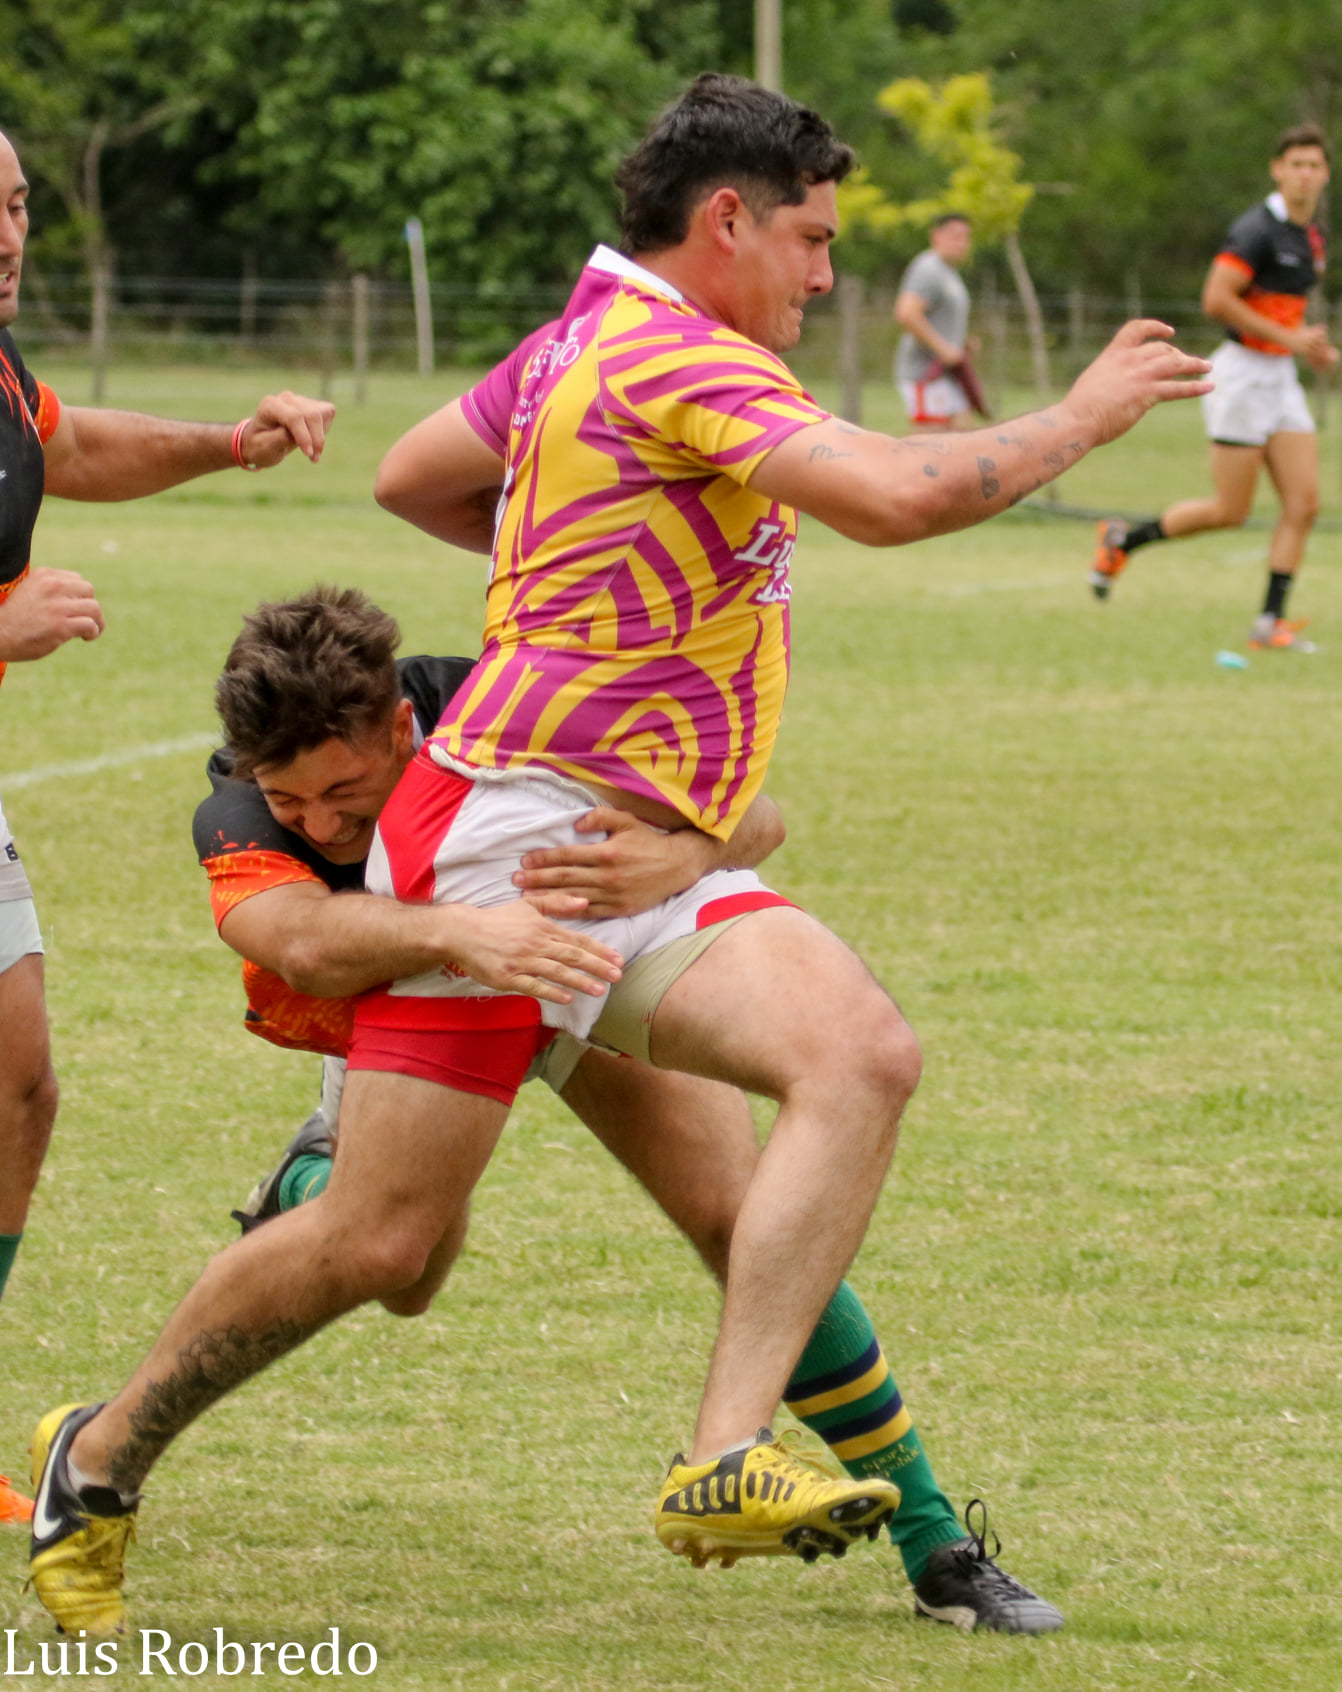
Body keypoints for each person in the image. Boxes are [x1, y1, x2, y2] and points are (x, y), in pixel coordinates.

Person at [29, 74, 1208, 1632]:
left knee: (856, 1059)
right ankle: (95, 1459)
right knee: (385, 1245)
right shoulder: (673, 356)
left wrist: (596, 586)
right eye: (807, 237)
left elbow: (412, 476)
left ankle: (742, 1460)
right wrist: (1085, 415)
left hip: (608, 835)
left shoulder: (580, 332)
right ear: (725, 220)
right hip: (514, 837)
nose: (822, 273)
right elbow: (899, 497)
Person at [201, 585, 1062, 1632]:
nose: (324, 824)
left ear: (398, 725)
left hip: (583, 969)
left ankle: (937, 1543)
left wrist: (688, 848)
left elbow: (761, 815)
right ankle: (312, 1180)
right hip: (422, 997)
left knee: (742, 1218)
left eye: (345, 793)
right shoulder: (237, 800)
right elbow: (296, 939)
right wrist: (458, 937)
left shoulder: (512, 712)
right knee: (403, 1272)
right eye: (293, 807)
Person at [0, 128, 334, 1527]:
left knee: (18, 1088)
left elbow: (72, 445)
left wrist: (227, 445)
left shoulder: (4, 375)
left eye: (15, 204)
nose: (8, 230)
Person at [1090, 123, 1337, 649]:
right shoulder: (1257, 229)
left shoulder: (1311, 235)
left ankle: (1268, 624)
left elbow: (1287, 310)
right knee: (1231, 512)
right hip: (1242, 376)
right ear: (1277, 169)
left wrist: (1311, 348)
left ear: (1326, 175)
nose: (1305, 174)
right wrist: (1290, 339)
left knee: (1304, 504)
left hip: (1280, 379)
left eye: (1314, 165)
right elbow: (1216, 299)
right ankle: (1123, 540)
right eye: (1296, 164)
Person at [893, 213, 977, 431]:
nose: (961, 243)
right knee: (930, 447)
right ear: (936, 236)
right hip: (925, 373)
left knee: (961, 439)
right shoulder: (928, 268)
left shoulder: (949, 272)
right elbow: (907, 313)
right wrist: (944, 349)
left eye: (966, 237)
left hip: (947, 375)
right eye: (955, 236)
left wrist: (960, 344)